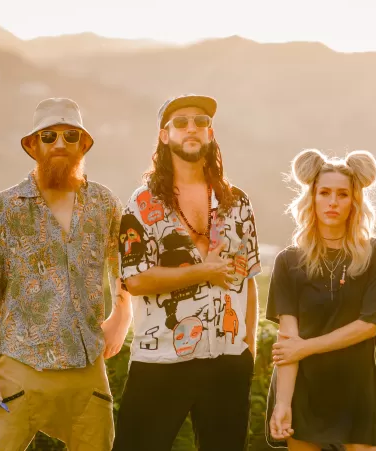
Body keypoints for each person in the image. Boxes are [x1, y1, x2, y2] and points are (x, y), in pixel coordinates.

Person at [0, 98, 131, 451]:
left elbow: (124, 269)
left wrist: (122, 315)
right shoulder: (4, 207)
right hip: (20, 367)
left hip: (86, 372)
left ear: (83, 145)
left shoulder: (105, 203)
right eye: (49, 135)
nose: (59, 143)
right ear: (33, 145)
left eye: (71, 135)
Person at [113, 94, 261, 451]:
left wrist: (248, 351)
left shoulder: (236, 202)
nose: (192, 128)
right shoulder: (141, 203)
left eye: (200, 122)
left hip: (227, 360)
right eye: (181, 123)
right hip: (162, 357)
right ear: (165, 136)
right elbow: (135, 279)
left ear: (210, 133)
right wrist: (203, 273)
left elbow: (249, 281)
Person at [266, 148, 376, 451]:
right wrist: (283, 403)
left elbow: (368, 326)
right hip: (304, 392)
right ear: (311, 197)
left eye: (342, 194)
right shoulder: (288, 261)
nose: (333, 202)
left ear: (355, 202)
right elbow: (288, 340)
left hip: (358, 390)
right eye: (324, 192)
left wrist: (306, 347)